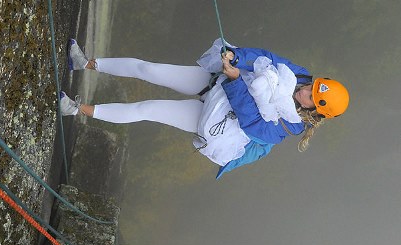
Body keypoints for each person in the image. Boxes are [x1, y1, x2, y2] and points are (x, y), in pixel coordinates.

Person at [60, 38, 349, 178]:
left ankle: (75, 109)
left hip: (217, 116)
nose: (305, 89)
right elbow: (266, 58)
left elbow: (250, 120)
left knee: (147, 108)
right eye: (313, 86)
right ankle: (84, 63)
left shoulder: (286, 128)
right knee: (148, 68)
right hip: (216, 83)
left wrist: (236, 80)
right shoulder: (300, 76)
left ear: (316, 112)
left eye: (311, 97)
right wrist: (236, 58)